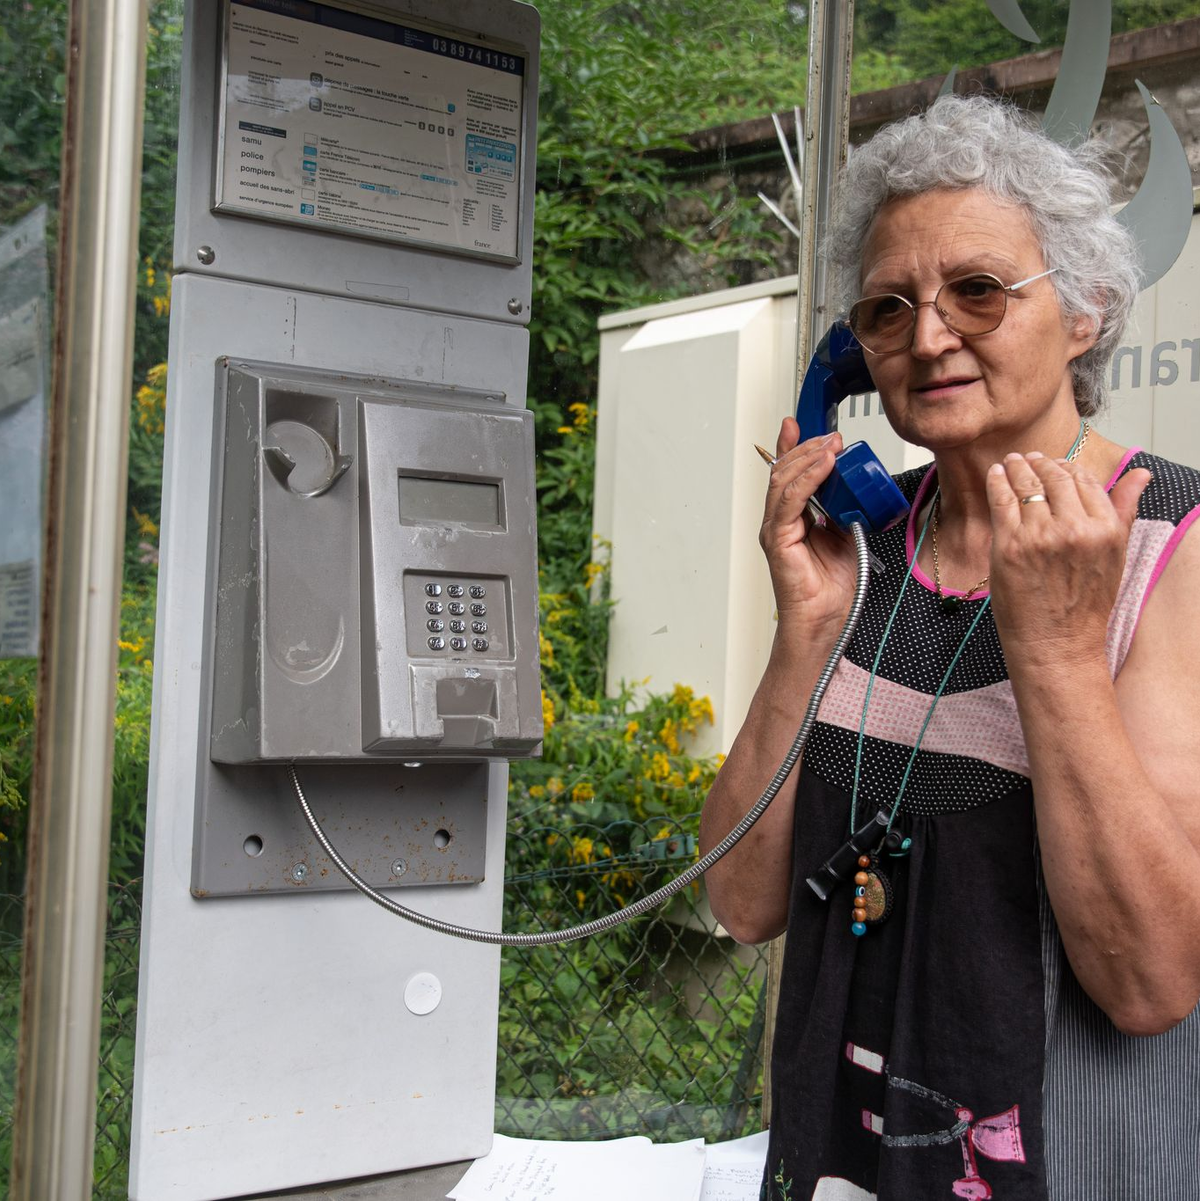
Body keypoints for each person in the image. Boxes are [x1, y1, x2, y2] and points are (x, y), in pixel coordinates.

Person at [700, 95, 1200, 1201]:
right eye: (887, 310)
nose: (928, 338)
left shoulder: (1173, 549)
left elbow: (1150, 978)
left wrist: (1062, 655)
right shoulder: (865, 544)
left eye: (978, 290)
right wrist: (806, 635)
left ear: (1085, 311)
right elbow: (738, 901)